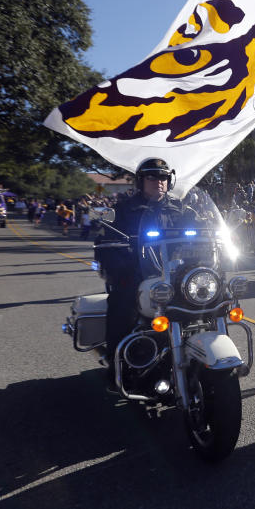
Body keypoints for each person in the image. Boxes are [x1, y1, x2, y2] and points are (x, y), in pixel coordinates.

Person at [100, 158, 183, 390]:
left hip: (174, 275)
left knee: (211, 302)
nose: (159, 181)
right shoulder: (123, 209)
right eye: (152, 177)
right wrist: (120, 268)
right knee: (121, 305)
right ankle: (117, 368)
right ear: (141, 180)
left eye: (163, 177)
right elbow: (105, 243)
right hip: (137, 274)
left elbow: (206, 236)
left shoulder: (180, 208)